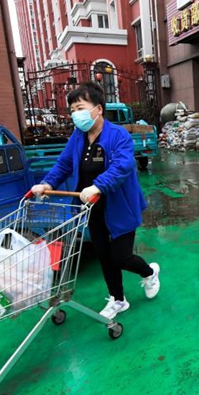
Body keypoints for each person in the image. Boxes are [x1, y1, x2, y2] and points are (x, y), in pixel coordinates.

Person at [31, 82, 160, 319]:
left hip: (119, 206)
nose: (75, 114)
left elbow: (123, 165)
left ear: (98, 108)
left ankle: (149, 272)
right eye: (72, 110)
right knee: (103, 254)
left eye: (80, 107)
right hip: (91, 207)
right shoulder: (78, 137)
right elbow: (64, 164)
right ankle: (118, 299)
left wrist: (98, 185)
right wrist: (48, 183)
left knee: (120, 256)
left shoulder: (117, 135)